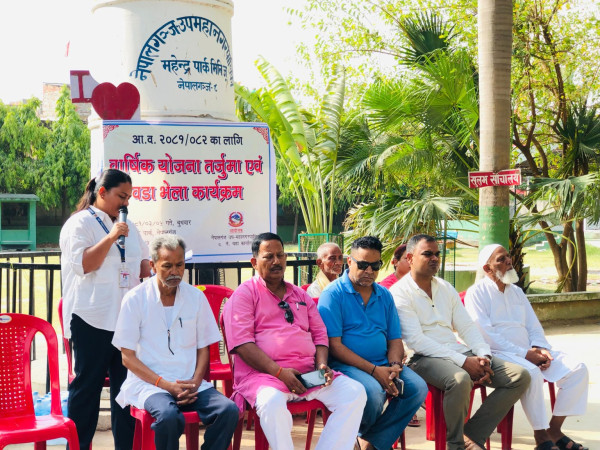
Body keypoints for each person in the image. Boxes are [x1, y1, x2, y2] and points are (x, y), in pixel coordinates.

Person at [222, 232, 367, 450]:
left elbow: (320, 335)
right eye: (268, 256)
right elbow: (243, 344)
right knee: (271, 402)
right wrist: (280, 372)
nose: (276, 261)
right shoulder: (244, 295)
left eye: (280, 255)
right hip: (265, 377)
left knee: (354, 393)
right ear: (254, 262)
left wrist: (321, 365)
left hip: (307, 376)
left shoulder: (300, 294)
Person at [389, 234, 531, 450]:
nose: (435, 258)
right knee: (460, 379)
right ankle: (455, 445)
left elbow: (467, 327)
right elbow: (417, 341)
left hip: (456, 351)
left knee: (519, 376)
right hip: (421, 358)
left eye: (437, 254)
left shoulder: (445, 287)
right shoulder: (399, 292)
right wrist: (464, 362)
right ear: (410, 258)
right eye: (427, 254)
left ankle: (471, 435)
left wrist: (483, 355)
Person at [112, 235, 239, 450]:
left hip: (190, 384)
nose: (175, 272)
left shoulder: (195, 297)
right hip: (150, 386)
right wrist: (166, 385)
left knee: (228, 411)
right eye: (167, 266)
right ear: (152, 265)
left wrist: (196, 381)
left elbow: (203, 348)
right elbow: (127, 357)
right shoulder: (135, 299)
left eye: (179, 265)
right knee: (169, 417)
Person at [59, 169, 151, 450]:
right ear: (102, 192)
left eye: (129, 198)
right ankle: (78, 446)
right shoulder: (79, 224)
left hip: (126, 322)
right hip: (91, 319)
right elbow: (85, 264)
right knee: (87, 390)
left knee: (126, 392)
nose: (126, 203)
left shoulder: (129, 226)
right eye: (121, 196)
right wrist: (111, 237)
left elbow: (143, 262)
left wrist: (157, 268)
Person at [464, 244, 589, 450]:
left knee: (577, 369)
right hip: (499, 353)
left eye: (508, 256)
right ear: (487, 268)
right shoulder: (476, 293)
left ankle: (554, 430)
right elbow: (485, 335)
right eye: (501, 259)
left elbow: (533, 326)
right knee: (531, 372)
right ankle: (541, 436)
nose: (509, 261)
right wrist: (525, 354)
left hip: (528, 351)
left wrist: (540, 348)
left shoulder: (517, 292)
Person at [318, 236, 428, 450]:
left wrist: (394, 366)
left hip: (383, 362)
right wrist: (374, 370)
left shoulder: (384, 295)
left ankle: (369, 441)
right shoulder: (333, 294)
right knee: (373, 392)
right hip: (346, 365)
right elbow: (335, 346)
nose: (369, 271)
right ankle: (366, 438)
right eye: (362, 265)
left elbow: (394, 338)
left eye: (375, 266)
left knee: (417, 388)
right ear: (349, 261)